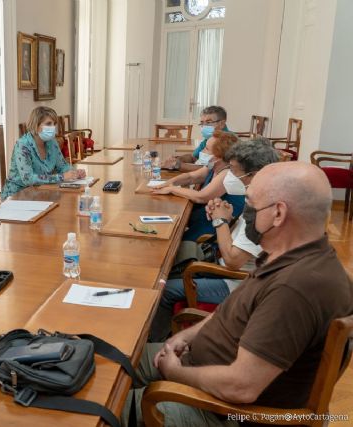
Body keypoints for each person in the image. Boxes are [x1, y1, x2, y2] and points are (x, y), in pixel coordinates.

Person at [126, 161, 353, 426]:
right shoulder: (288, 257)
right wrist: (187, 336)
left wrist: (175, 373)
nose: (246, 212)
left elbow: (241, 387)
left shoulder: (296, 288)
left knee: (99, 406)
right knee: (113, 359)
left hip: (221, 411)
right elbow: (229, 311)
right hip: (196, 365)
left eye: (251, 204)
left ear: (278, 213)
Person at [149, 140, 280, 342]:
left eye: (234, 171)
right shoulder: (260, 195)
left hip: (236, 282)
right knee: (170, 260)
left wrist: (220, 222)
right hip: (227, 266)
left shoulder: (264, 210)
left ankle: (152, 343)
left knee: (164, 289)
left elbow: (233, 261)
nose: (229, 175)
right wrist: (226, 219)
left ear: (254, 174)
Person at [152, 130, 244, 241]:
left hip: (214, 225)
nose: (202, 151)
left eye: (207, 149)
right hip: (205, 216)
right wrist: (169, 182)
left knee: (173, 238)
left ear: (218, 157)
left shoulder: (227, 174)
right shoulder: (213, 164)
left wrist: (172, 189)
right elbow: (191, 177)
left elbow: (201, 197)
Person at [2, 107, 86, 198]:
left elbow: (62, 166)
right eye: (48, 124)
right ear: (36, 125)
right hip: (17, 195)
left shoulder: (52, 142)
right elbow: (28, 179)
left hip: (40, 191)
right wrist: (61, 177)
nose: (53, 127)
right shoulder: (23, 145)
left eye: (54, 124)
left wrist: (74, 172)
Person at [163, 106, 230, 172]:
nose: (204, 126)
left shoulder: (229, 141)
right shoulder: (209, 138)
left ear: (222, 124)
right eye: (202, 123)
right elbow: (193, 157)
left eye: (208, 122)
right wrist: (177, 159)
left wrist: (178, 165)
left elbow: (211, 168)